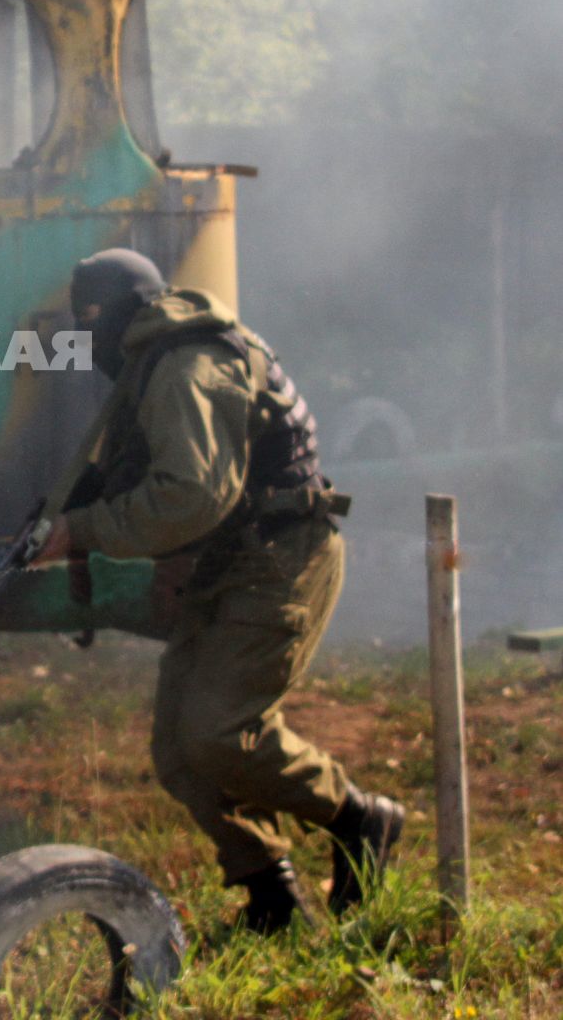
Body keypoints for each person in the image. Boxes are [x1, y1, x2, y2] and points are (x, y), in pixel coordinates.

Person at [32, 248, 404, 932]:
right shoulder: (159, 359)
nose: (90, 343)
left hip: (281, 554)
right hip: (234, 559)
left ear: (126, 315)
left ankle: (358, 818)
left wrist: (80, 529)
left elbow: (191, 497)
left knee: (217, 734)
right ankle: (272, 896)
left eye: (94, 324)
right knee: (179, 751)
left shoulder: (185, 364)